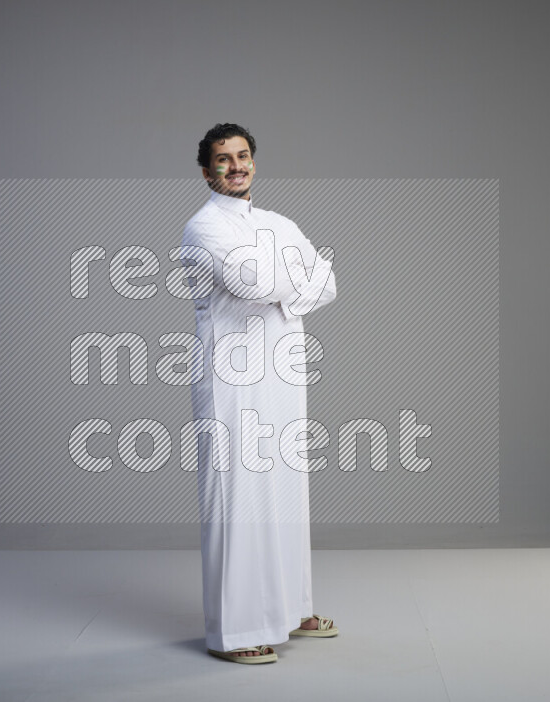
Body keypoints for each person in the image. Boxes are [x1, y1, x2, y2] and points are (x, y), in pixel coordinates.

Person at [180, 123, 339, 664]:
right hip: (229, 377)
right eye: (223, 159)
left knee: (286, 492)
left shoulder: (277, 222)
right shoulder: (203, 228)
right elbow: (253, 284)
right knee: (236, 500)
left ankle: (292, 610)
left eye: (243, 156)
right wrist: (291, 276)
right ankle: (236, 631)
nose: (236, 166)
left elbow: (328, 283)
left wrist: (284, 279)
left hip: (282, 371)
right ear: (207, 171)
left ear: (254, 162)